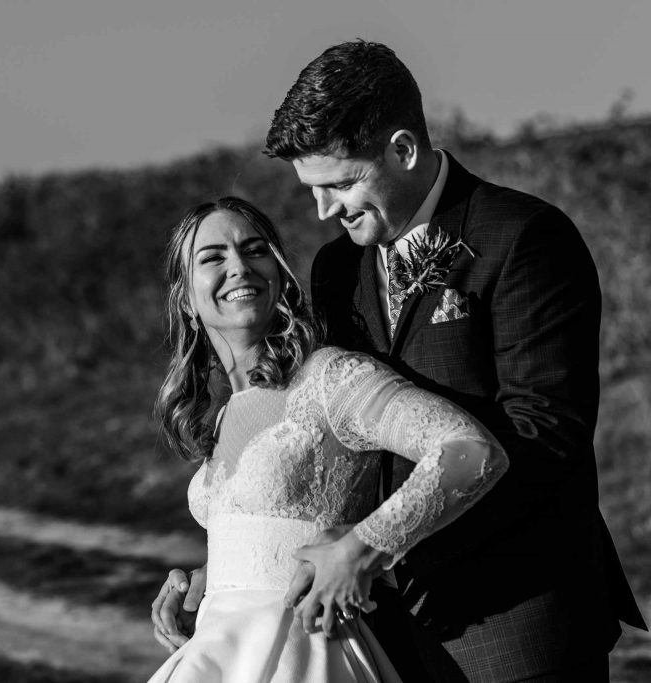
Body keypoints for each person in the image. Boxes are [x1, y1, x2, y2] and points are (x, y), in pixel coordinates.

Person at [254, 41, 644, 681]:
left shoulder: (523, 237)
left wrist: (380, 543)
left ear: (403, 151)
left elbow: (547, 433)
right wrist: (234, 566)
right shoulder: (335, 269)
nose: (326, 211)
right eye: (313, 191)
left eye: (342, 183)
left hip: (519, 620)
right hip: (383, 629)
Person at [147, 196, 508, 682]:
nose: (239, 266)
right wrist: (207, 587)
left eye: (255, 250)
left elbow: (471, 452)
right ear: (187, 300)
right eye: (213, 258)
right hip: (222, 657)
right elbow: (264, 542)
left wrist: (363, 546)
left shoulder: (330, 379)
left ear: (279, 275)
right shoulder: (219, 415)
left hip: (311, 657)